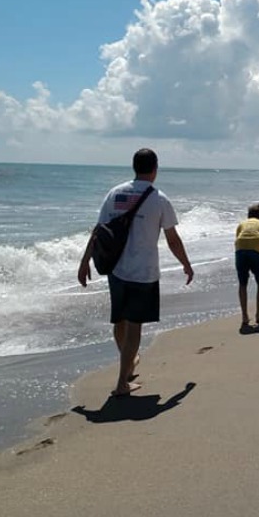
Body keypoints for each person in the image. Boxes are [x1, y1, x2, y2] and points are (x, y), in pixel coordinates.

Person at [78, 148, 194, 396]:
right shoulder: (159, 198)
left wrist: (84, 261)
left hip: (116, 269)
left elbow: (98, 229)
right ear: (155, 169)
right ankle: (122, 382)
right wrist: (186, 263)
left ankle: (128, 364)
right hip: (144, 272)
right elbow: (172, 238)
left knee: (119, 321)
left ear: (134, 166)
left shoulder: (115, 193)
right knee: (134, 326)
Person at [235, 203, 259, 327]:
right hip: (256, 250)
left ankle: (244, 317)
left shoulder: (241, 224)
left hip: (240, 249)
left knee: (242, 284)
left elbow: (238, 241)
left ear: (248, 215)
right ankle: (258, 315)